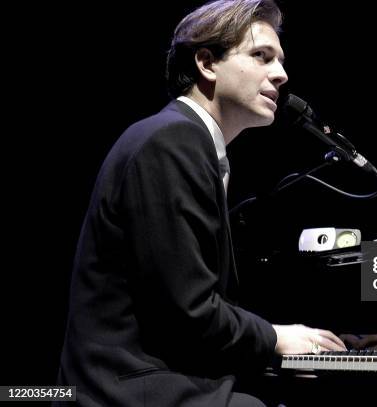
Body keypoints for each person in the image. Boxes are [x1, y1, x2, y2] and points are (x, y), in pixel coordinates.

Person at [56, 1, 345, 406]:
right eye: (261, 56)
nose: (281, 74)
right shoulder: (172, 141)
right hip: (127, 389)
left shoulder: (186, 141)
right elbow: (187, 312)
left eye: (279, 60)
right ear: (207, 63)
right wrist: (278, 336)